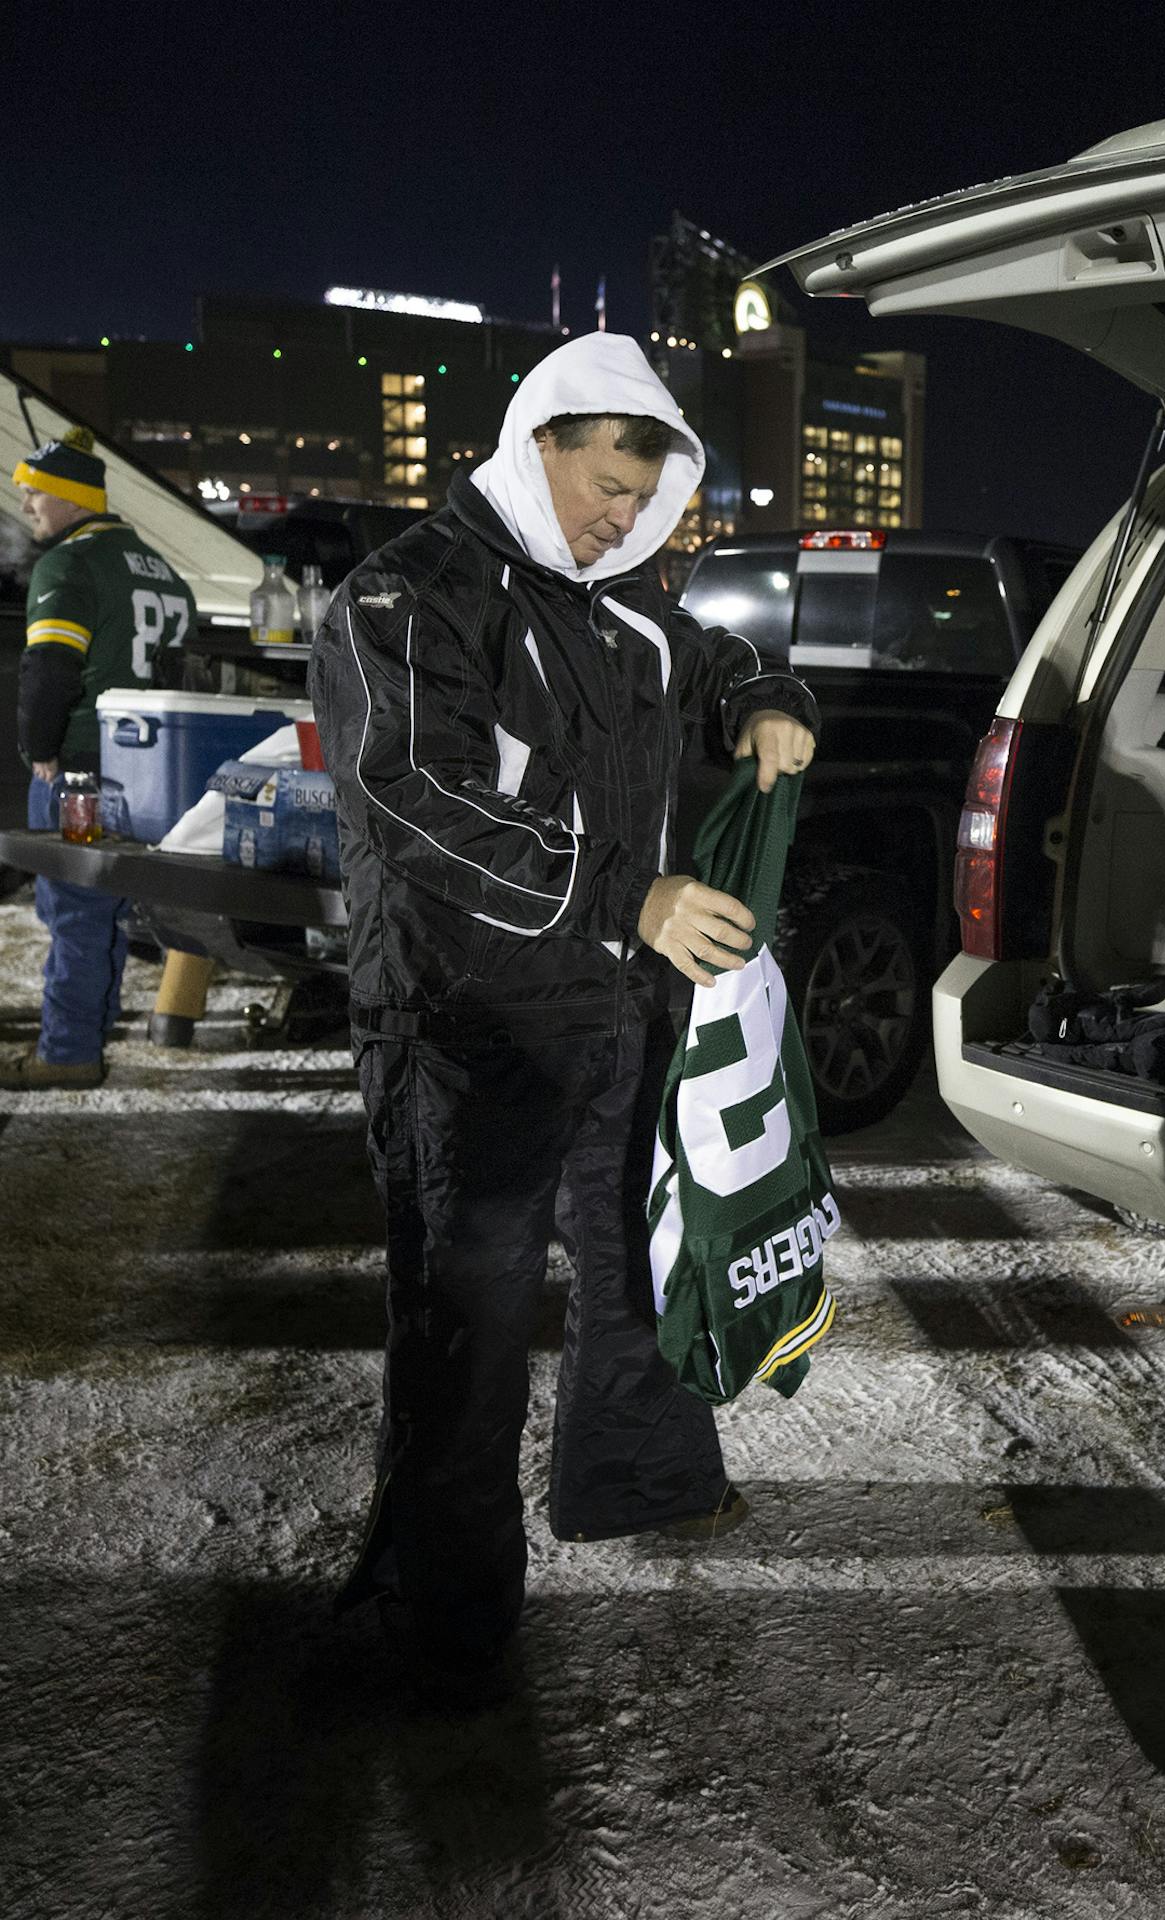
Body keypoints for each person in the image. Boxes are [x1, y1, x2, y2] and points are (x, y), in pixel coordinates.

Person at [308, 331, 819, 1701]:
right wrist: (630, 897)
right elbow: (421, 799)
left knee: (644, 1268)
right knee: (467, 1335)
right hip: (465, 1029)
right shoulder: (404, 600)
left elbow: (706, 655)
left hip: (617, 1014)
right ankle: (445, 1627)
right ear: (537, 442)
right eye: (604, 484)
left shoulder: (623, 602)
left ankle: (638, 1485)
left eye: (644, 499)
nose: (623, 515)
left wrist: (765, 695)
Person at [5, 427, 194, 1090]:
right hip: (151, 769)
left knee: (74, 911)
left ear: (71, 498)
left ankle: (68, 1052)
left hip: (83, 767)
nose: (25, 504)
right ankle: (93, 1021)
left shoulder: (68, 565)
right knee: (106, 908)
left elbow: (50, 669)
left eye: (35, 494)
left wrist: (41, 749)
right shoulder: (160, 568)